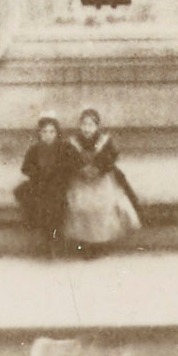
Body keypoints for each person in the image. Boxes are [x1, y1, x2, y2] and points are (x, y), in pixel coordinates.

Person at [62, 108, 141, 257]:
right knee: (80, 206)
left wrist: (98, 169)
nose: (87, 129)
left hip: (102, 180)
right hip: (80, 181)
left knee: (103, 206)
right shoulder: (73, 142)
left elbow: (111, 158)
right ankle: (84, 244)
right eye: (84, 124)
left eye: (91, 125)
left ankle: (99, 244)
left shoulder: (105, 141)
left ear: (97, 127)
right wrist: (82, 169)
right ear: (80, 126)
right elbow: (69, 159)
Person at [13, 112, 75, 255]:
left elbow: (73, 165)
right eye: (45, 132)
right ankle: (46, 240)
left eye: (52, 131)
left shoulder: (64, 148)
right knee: (38, 203)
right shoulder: (35, 149)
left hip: (58, 184)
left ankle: (54, 240)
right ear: (39, 134)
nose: (48, 135)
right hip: (40, 184)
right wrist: (39, 174)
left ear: (57, 133)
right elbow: (26, 168)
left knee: (55, 204)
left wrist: (60, 173)